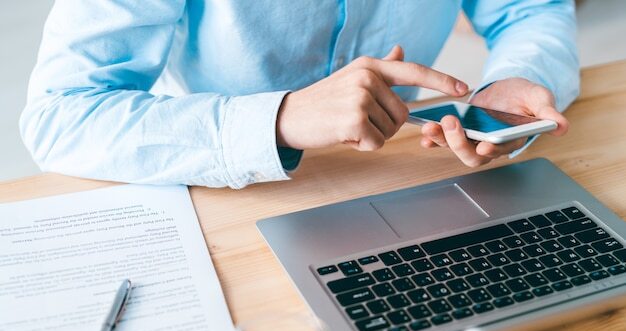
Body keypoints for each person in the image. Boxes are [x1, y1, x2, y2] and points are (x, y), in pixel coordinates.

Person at [20, 1, 579, 189]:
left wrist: (520, 76)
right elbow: (59, 115)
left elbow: (531, 10)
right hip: (216, 188)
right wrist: (279, 119)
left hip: (411, 173)